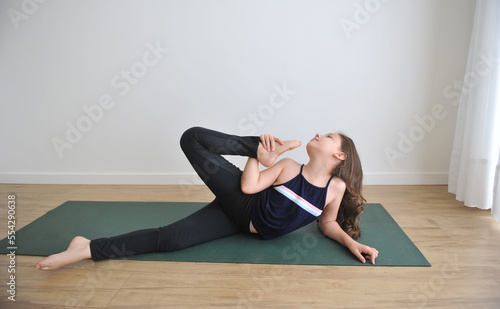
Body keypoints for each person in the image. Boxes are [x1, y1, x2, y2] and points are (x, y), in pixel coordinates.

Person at [35, 127, 378, 271]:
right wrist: (260, 155)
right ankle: (85, 250)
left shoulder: (334, 190)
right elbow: (248, 187)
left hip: (240, 224)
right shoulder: (289, 167)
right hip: (243, 204)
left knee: (169, 240)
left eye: (328, 136)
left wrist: (350, 244)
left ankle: (85, 246)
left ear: (341, 157)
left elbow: (328, 222)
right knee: (192, 138)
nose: (318, 134)